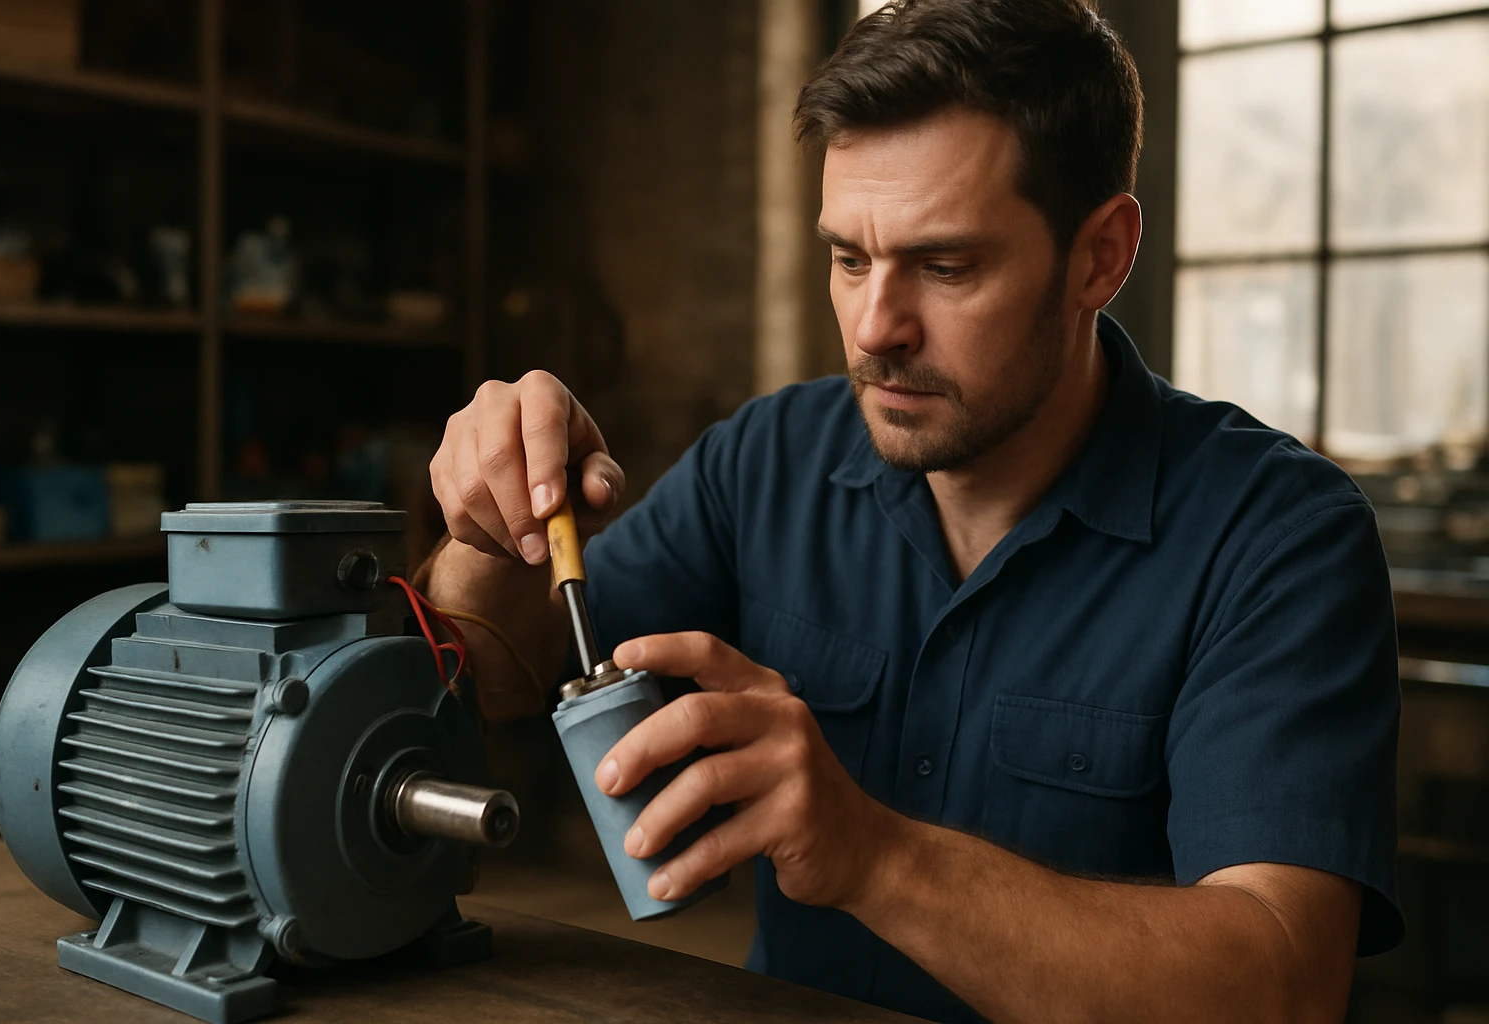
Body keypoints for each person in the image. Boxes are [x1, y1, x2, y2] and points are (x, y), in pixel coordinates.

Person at [417, 1, 1402, 1020]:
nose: (875, 329)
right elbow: (494, 676)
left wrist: (871, 853)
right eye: (849, 258)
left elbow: (1282, 986)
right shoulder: (768, 461)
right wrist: (491, 536)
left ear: (1100, 256)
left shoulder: (1279, 537)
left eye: (946, 267)